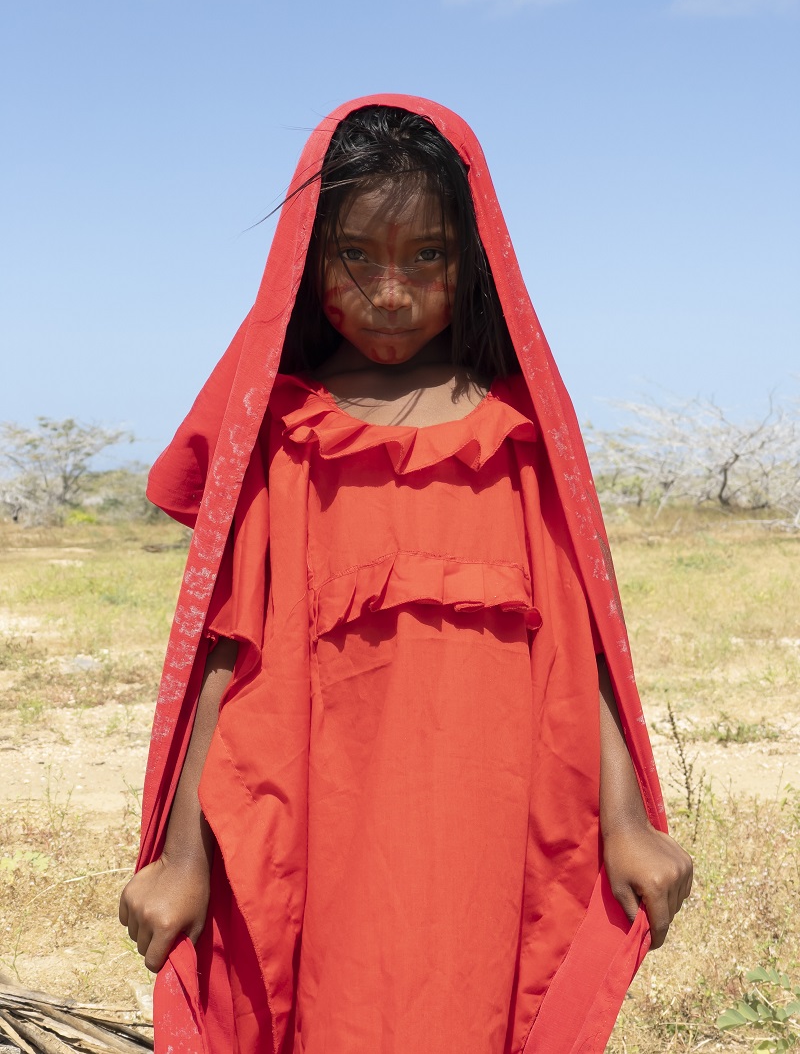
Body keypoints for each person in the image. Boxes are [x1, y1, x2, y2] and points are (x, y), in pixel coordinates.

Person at [119, 95, 693, 1054]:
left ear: (475, 261)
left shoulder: (515, 439)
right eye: (358, 256)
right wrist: (183, 859)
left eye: (426, 255)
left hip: (490, 825)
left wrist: (626, 822)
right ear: (310, 260)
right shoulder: (290, 441)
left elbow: (576, 637)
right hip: (319, 826)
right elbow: (230, 652)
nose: (391, 292)